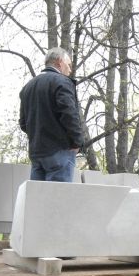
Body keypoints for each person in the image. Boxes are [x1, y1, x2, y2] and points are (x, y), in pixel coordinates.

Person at [19, 47, 85, 182]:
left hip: (37, 154)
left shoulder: (28, 87)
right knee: (57, 199)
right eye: (68, 65)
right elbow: (69, 115)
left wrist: (39, 136)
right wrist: (77, 142)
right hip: (60, 151)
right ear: (59, 62)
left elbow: (23, 123)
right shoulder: (62, 82)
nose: (70, 69)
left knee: (38, 199)